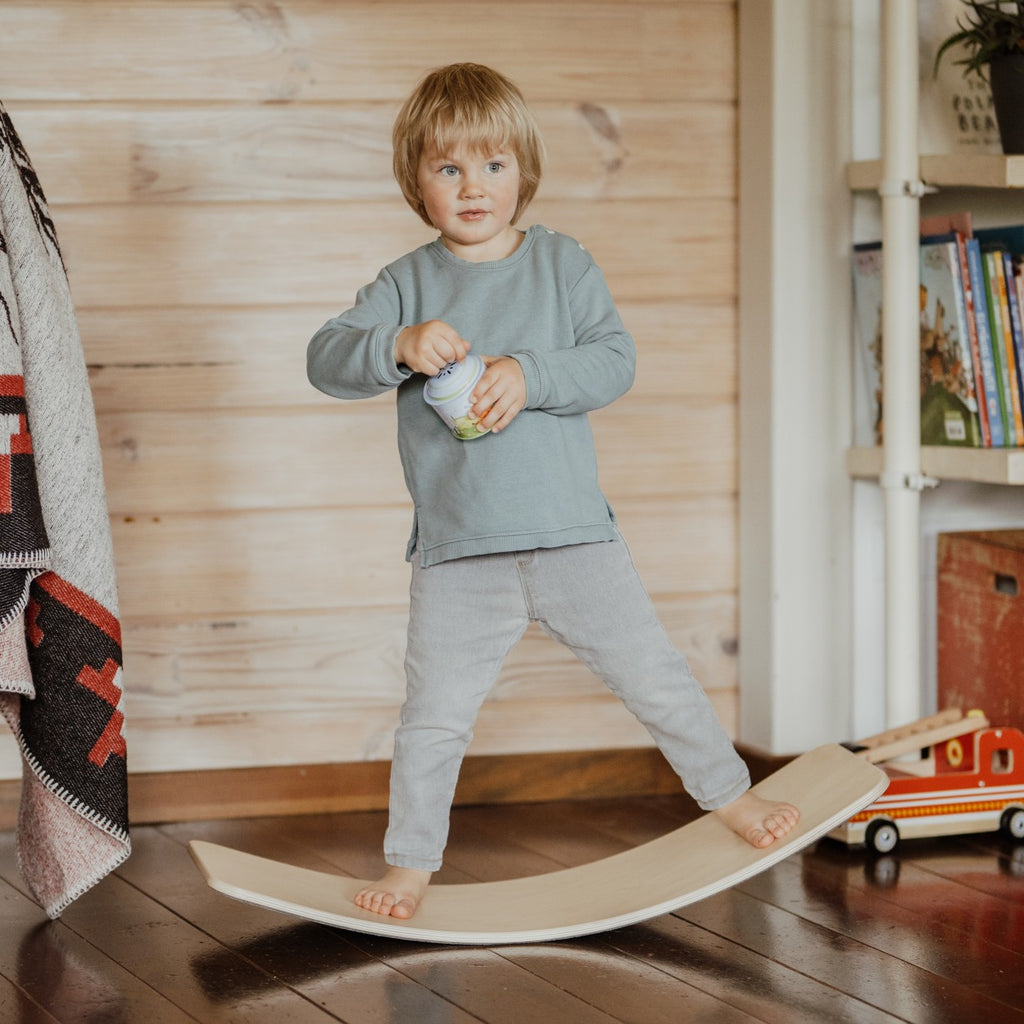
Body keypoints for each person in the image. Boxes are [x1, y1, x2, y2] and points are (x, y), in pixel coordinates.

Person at [306, 63, 799, 920]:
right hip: (459, 556)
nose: (473, 186)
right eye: (448, 167)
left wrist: (528, 376)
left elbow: (615, 361)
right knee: (432, 720)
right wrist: (396, 344)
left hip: (575, 539)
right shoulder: (402, 288)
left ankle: (733, 798)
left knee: (658, 678)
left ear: (523, 172)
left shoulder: (563, 265)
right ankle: (411, 866)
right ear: (415, 180)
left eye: (493, 165)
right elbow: (324, 359)